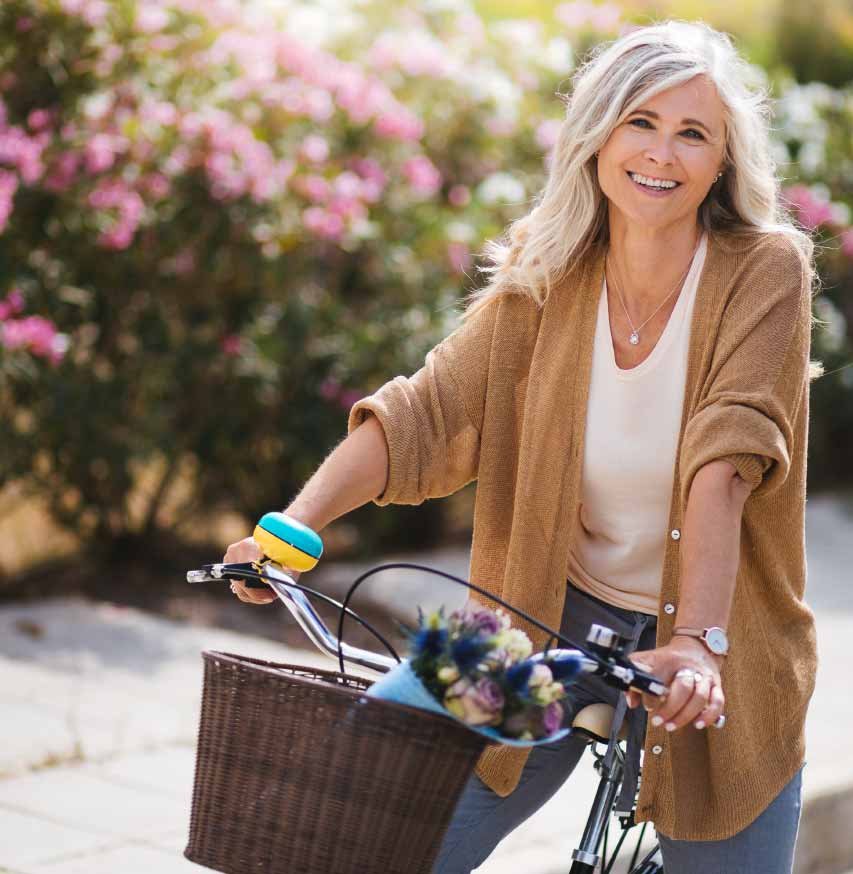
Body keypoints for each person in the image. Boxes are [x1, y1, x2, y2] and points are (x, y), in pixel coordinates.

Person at [225, 19, 821, 874]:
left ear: (724, 159)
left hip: (720, 642)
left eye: (694, 132)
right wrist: (289, 531)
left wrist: (699, 641)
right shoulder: (549, 278)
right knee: (359, 823)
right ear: (598, 136)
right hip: (537, 619)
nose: (662, 153)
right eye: (639, 123)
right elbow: (420, 414)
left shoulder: (765, 271)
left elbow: (725, 462)